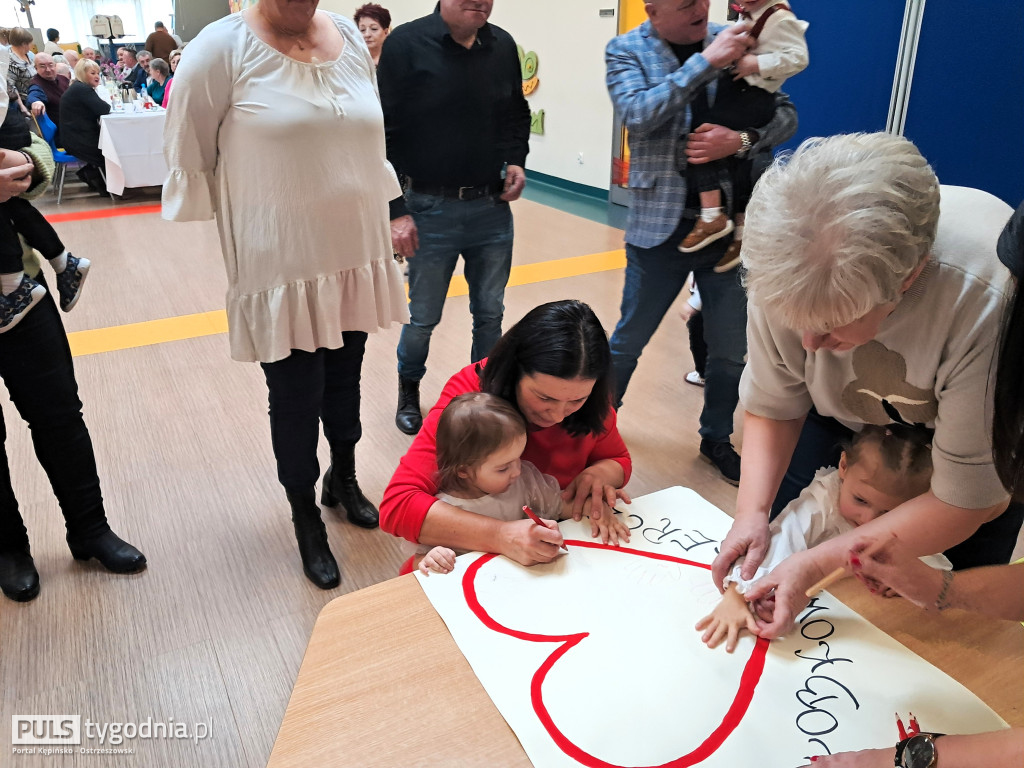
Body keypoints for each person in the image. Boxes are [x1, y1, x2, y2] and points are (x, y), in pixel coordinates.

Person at [710, 132, 1023, 642]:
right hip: (853, 420)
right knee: (788, 533)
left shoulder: (989, 295)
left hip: (974, 456)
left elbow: (968, 500)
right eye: (795, 322)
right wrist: (751, 513)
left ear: (909, 279)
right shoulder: (786, 262)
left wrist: (816, 565)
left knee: (941, 628)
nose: (809, 343)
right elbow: (775, 401)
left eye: (834, 326)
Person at [163, 0, 409, 589]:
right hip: (282, 263)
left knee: (346, 379)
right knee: (296, 395)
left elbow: (370, 144)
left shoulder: (350, 38)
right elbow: (191, 151)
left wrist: (391, 210)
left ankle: (342, 478)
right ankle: (304, 513)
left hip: (352, 251)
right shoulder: (219, 49)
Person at [604, 0, 797, 486]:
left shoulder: (734, 36)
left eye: (703, 0)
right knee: (628, 341)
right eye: (685, 3)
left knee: (731, 349)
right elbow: (638, 114)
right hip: (660, 227)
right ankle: (594, 429)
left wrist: (742, 141)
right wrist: (706, 63)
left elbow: (785, 113)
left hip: (731, 230)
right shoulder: (626, 49)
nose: (700, 9)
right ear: (652, 9)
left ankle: (716, 438)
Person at [0, 47, 145, 603]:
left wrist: (26, 167)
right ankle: (9, 547)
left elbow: (31, 145)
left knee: (60, 414)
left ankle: (90, 529)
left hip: (23, 291)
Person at [381, 300, 632, 567]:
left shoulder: (589, 396)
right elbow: (398, 506)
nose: (558, 415)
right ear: (514, 372)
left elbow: (618, 459)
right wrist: (501, 535)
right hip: (475, 553)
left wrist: (600, 473)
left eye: (576, 401)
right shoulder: (472, 405)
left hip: (555, 539)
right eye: (544, 397)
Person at [378, 0, 531, 436]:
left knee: (490, 313)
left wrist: (516, 159)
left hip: (491, 208)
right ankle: (410, 391)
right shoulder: (406, 44)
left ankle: (483, 398)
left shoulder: (501, 46)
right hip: (428, 208)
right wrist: (396, 211)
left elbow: (515, 114)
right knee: (423, 317)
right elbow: (384, 131)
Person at [696, 425, 950, 653]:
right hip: (813, 614)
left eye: (889, 513)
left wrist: (911, 579)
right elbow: (781, 539)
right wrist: (738, 595)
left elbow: (938, 568)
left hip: (862, 625)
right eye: (860, 500)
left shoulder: (912, 523)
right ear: (843, 466)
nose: (868, 520)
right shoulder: (824, 499)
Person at [411, 392, 631, 575]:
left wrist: (595, 506)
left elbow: (563, 503)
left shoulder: (525, 480)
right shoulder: (444, 509)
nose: (518, 470)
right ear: (463, 471)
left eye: (518, 458)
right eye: (503, 468)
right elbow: (418, 561)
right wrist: (431, 559)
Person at [676, 0, 808, 274]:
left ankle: (717, 218)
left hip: (752, 95)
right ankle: (736, 231)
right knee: (714, 145)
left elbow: (789, 107)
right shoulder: (746, 17)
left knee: (706, 137)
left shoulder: (774, 19)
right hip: (671, 210)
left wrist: (742, 139)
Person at [59, 59, 110, 195]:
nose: (96, 76)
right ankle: (97, 179)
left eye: (98, 73)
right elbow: (104, 109)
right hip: (78, 139)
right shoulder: (83, 89)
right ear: (82, 74)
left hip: (74, 136)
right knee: (111, 150)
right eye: (92, 73)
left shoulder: (78, 87)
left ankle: (91, 175)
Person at [26, 53, 69, 131]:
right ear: (36, 68)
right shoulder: (36, 84)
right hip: (61, 131)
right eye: (42, 66)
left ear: (55, 65)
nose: (48, 69)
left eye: (50, 65)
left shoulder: (63, 79)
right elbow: (33, 95)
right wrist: (36, 101)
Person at [6, 27, 35, 104]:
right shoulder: (10, 60)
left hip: (35, 94)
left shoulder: (29, 54)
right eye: (30, 43)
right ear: (24, 44)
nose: (32, 45)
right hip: (25, 100)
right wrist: (22, 107)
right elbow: (11, 87)